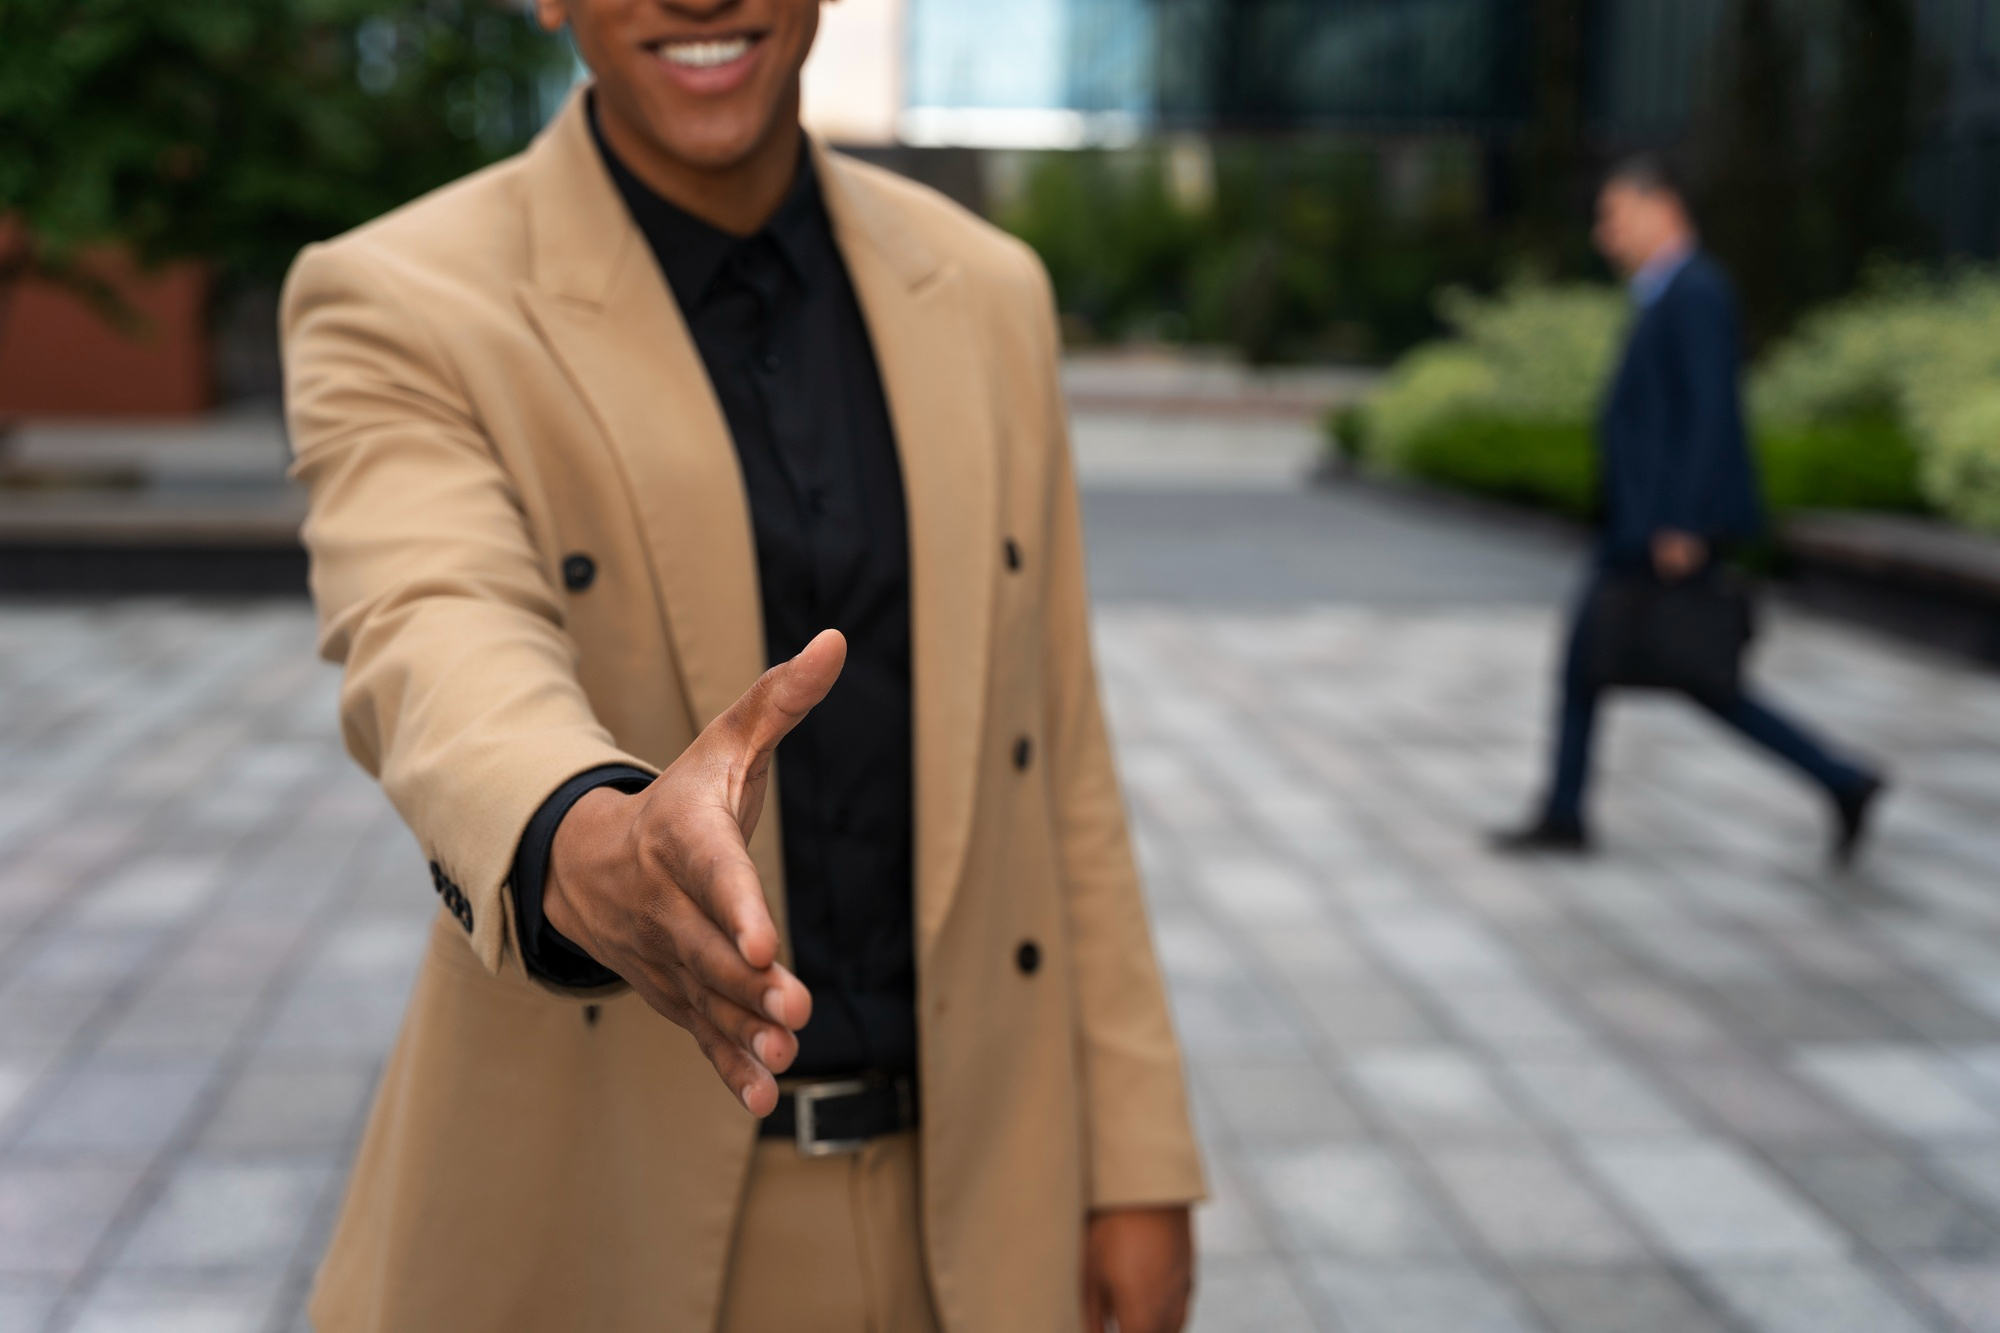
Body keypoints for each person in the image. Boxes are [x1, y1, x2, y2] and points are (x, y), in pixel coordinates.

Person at [279, 1, 1205, 1329]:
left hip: (979, 1205)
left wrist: (1136, 1155)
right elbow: (429, 624)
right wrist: (587, 836)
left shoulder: (989, 289)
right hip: (603, 1208)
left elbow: (1058, 752)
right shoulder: (401, 295)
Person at [1495, 155, 1885, 862]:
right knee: (1602, 667)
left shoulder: (1696, 292)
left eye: (1614, 215)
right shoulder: (1664, 293)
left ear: (1663, 208)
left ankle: (1842, 777)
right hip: (1640, 523)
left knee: (1703, 680)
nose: (1605, 234)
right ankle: (1564, 811)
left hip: (1665, 529)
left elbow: (1709, 414)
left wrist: (1684, 522)